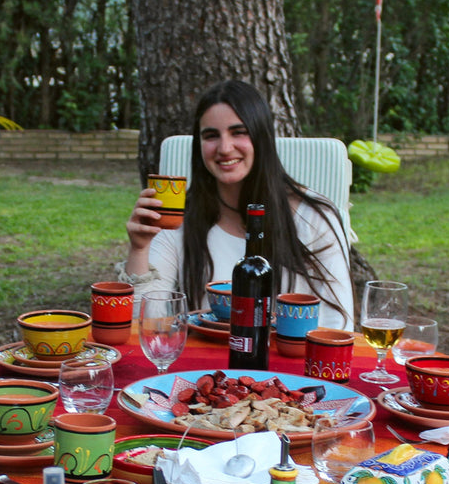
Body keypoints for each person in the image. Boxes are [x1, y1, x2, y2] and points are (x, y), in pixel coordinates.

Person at [118, 80, 353, 328]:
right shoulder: (178, 218)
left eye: (238, 132)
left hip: (287, 353)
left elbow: (338, 325)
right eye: (211, 136)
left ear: (261, 138)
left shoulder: (313, 216)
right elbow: (147, 324)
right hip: (202, 354)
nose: (225, 148)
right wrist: (139, 249)